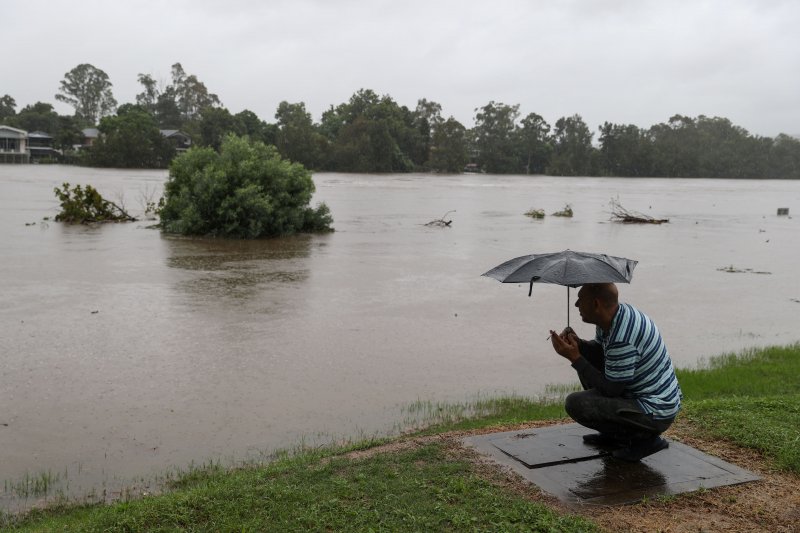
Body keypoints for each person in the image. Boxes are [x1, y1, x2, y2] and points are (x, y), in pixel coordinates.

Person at [549, 283, 681, 462]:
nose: (576, 305)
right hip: (638, 396)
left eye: (581, 299)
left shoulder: (622, 338)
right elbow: (604, 354)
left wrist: (575, 358)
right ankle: (616, 436)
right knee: (587, 366)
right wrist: (579, 344)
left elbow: (612, 390)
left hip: (655, 411)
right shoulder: (612, 318)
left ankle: (647, 440)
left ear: (596, 304)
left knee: (575, 403)